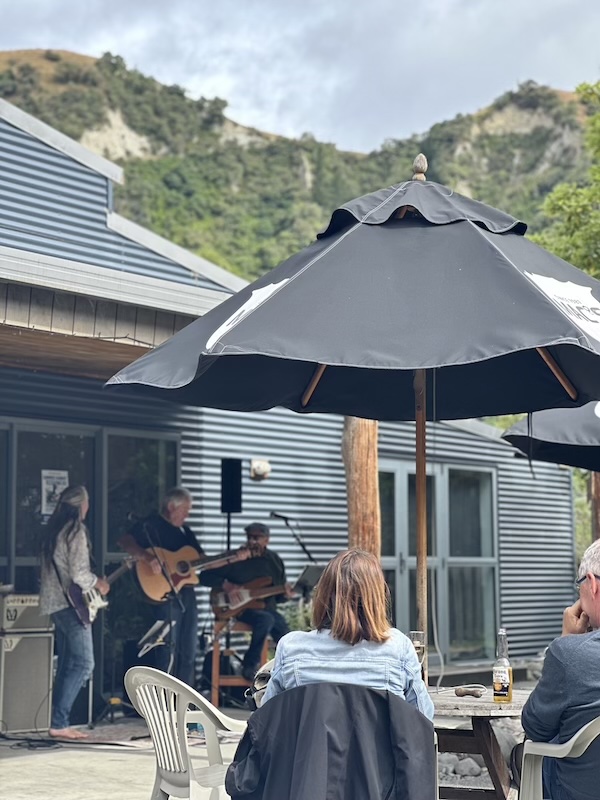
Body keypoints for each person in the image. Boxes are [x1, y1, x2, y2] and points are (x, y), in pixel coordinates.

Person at [261, 548, 434, 720]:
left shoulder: (291, 647)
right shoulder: (398, 647)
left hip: (308, 747)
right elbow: (423, 718)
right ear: (376, 597)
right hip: (379, 748)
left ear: (323, 593)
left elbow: (267, 718)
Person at [520, 539, 600, 800]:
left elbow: (535, 727)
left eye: (580, 588)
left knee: (519, 753)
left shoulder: (570, 654)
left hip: (578, 791)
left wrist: (567, 642)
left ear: (593, 584)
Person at [39, 485, 110, 740]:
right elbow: (79, 574)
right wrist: (98, 584)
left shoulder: (54, 530)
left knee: (70, 663)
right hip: (70, 605)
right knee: (83, 663)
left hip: (52, 604)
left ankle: (59, 720)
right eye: (88, 502)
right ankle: (59, 722)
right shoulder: (75, 531)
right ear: (82, 504)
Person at [118, 486, 203, 687]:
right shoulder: (151, 525)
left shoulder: (185, 531)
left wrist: (230, 557)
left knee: (189, 648)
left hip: (186, 595)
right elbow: (125, 541)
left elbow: (200, 559)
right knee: (167, 648)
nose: (187, 515)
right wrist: (147, 557)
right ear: (171, 506)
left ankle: (187, 700)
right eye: (185, 510)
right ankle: (164, 699)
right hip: (164, 594)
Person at [201, 522, 291, 682]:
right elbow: (204, 576)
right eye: (250, 537)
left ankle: (287, 671)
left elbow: (278, 597)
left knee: (285, 633)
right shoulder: (236, 557)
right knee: (266, 620)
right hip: (239, 610)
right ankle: (249, 666)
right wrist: (226, 585)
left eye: (257, 538)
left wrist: (287, 594)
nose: (252, 541)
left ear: (266, 540)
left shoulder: (274, 561)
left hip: (266, 607)